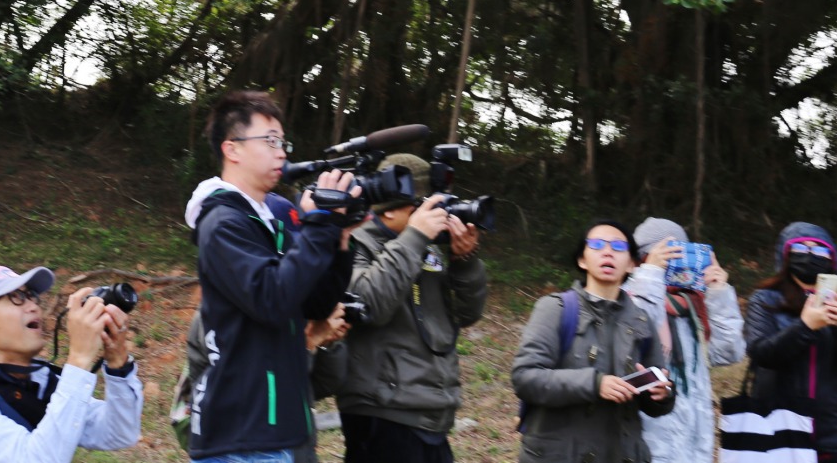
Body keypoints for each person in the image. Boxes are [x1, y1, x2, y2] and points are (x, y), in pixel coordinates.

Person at [185, 90, 356, 463]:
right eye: (271, 141)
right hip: (240, 437)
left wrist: (340, 241)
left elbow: (315, 303)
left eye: (283, 142)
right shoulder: (223, 224)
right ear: (233, 150)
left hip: (276, 431)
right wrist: (317, 225)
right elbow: (273, 299)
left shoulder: (267, 222)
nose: (282, 152)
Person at [335, 153, 489, 463]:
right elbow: (369, 305)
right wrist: (414, 238)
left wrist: (464, 261)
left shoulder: (425, 249)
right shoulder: (356, 244)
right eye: (422, 204)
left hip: (430, 409)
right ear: (388, 211)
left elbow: (466, 313)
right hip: (382, 412)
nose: (435, 214)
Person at [0, 264, 143, 463]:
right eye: (16, 298)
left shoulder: (39, 380)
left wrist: (117, 362)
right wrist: (79, 359)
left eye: (31, 295)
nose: (33, 306)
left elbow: (118, 433)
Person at [511, 220, 674, 463]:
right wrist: (595, 384)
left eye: (618, 247)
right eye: (597, 245)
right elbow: (525, 378)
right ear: (582, 260)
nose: (608, 251)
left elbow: (657, 399)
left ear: (631, 264)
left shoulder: (642, 319)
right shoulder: (555, 309)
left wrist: (663, 394)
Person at [745, 221, 837, 463]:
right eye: (800, 249)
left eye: (818, 250)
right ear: (786, 256)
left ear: (832, 258)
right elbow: (761, 353)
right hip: (777, 432)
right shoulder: (765, 300)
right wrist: (805, 326)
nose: (809, 256)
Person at [626, 217, 746, 463]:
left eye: (682, 254)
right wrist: (652, 275)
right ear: (642, 258)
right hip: (648, 444)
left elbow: (728, 352)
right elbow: (634, 339)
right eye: (668, 255)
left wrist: (719, 293)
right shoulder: (629, 298)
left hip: (694, 445)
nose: (676, 264)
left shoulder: (692, 307)